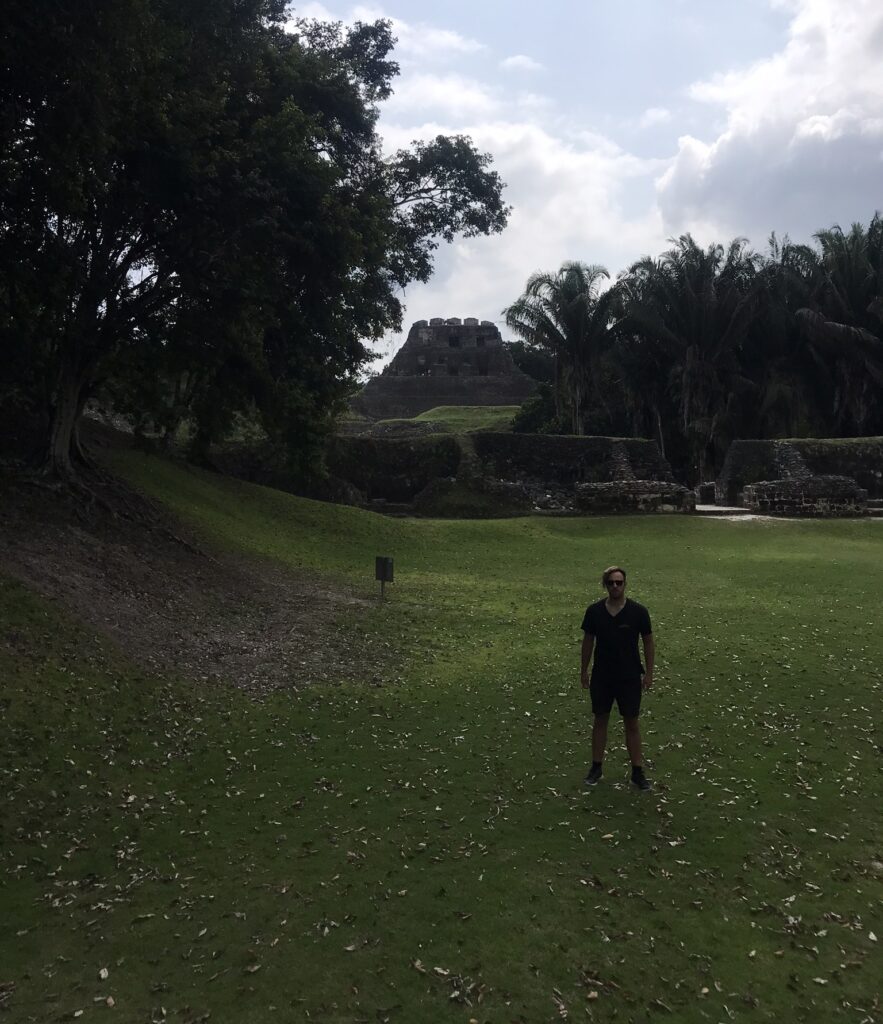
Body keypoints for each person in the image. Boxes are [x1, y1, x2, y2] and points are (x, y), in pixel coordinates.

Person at [579, 565, 655, 790]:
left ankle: (637, 772)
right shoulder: (594, 612)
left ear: (625, 584)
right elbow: (588, 643)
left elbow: (648, 642)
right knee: (600, 719)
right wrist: (584, 671)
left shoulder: (638, 612)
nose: (615, 586)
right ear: (605, 585)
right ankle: (596, 767)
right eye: (611, 582)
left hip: (629, 676)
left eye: (619, 582)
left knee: (632, 722)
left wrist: (649, 673)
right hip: (602, 675)